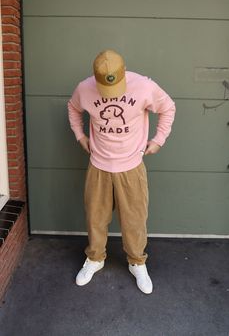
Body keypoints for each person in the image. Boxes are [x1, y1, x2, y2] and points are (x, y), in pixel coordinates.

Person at [67, 49, 176, 294]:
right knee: (95, 217)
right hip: (98, 165)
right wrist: (80, 136)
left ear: (124, 73)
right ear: (95, 77)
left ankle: (137, 262)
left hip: (131, 167)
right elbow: (73, 108)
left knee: (134, 220)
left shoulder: (144, 86)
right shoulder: (84, 88)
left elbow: (168, 107)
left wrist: (159, 140)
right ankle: (95, 259)